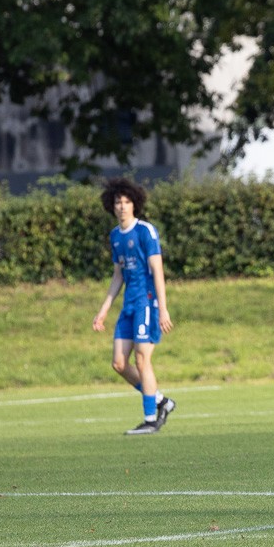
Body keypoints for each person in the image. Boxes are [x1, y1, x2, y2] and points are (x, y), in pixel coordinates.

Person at [91, 177, 177, 435]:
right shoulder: (115, 236)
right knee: (119, 363)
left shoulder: (145, 231)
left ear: (134, 204)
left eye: (127, 202)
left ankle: (150, 419)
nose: (122, 206)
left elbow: (157, 271)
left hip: (147, 303)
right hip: (128, 305)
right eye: (118, 202)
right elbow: (118, 275)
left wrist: (163, 308)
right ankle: (161, 400)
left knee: (141, 358)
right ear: (112, 205)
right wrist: (104, 310)